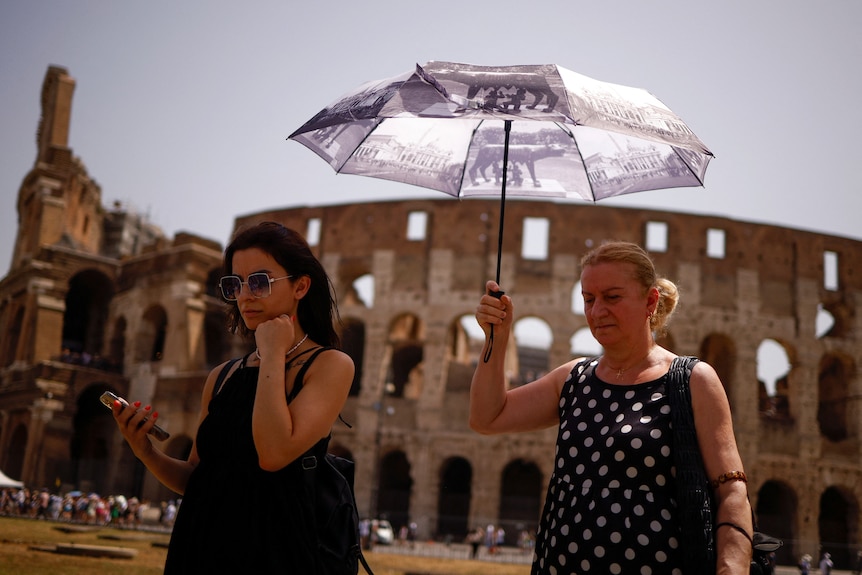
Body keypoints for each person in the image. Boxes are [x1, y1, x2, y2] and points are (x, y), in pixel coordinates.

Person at [470, 241, 753, 573]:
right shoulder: (574, 378)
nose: (597, 311)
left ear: (650, 301)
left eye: (612, 297)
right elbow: (488, 417)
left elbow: (731, 487)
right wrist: (497, 337)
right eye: (589, 299)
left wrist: (731, 567)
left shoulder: (693, 380)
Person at [110, 221, 354, 573]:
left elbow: (273, 453)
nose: (245, 295)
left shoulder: (329, 365)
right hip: (200, 545)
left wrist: (272, 354)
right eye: (234, 284)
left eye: (259, 281)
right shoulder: (222, 376)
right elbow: (197, 478)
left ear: (301, 285)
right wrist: (145, 451)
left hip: (275, 553)